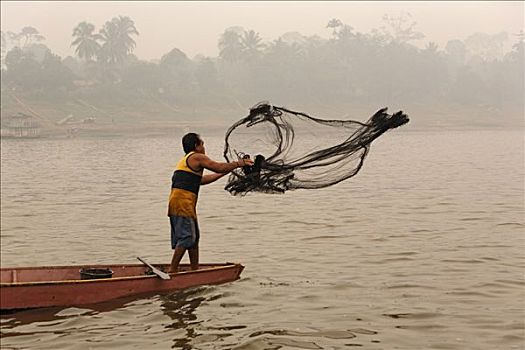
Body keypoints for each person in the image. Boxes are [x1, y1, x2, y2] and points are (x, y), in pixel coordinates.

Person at [167, 132, 253, 273]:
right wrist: (239, 163)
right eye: (202, 144)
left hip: (182, 202)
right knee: (187, 236)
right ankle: (172, 270)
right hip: (183, 203)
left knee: (194, 238)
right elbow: (217, 166)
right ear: (196, 146)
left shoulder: (186, 161)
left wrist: (227, 171)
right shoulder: (197, 157)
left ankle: (195, 270)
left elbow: (202, 180)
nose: (204, 147)